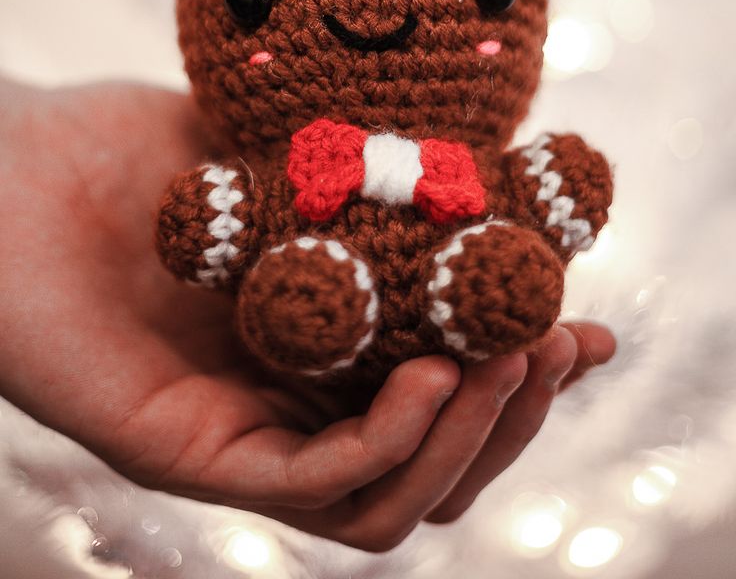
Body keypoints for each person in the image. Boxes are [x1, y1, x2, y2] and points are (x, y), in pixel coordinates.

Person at [0, 76, 615, 553]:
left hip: (473, 249)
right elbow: (212, 222)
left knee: (501, 278)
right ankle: (319, 302)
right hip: (305, 268)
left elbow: (560, 187)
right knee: (304, 302)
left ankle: (481, 281)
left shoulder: (477, 163)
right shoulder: (283, 174)